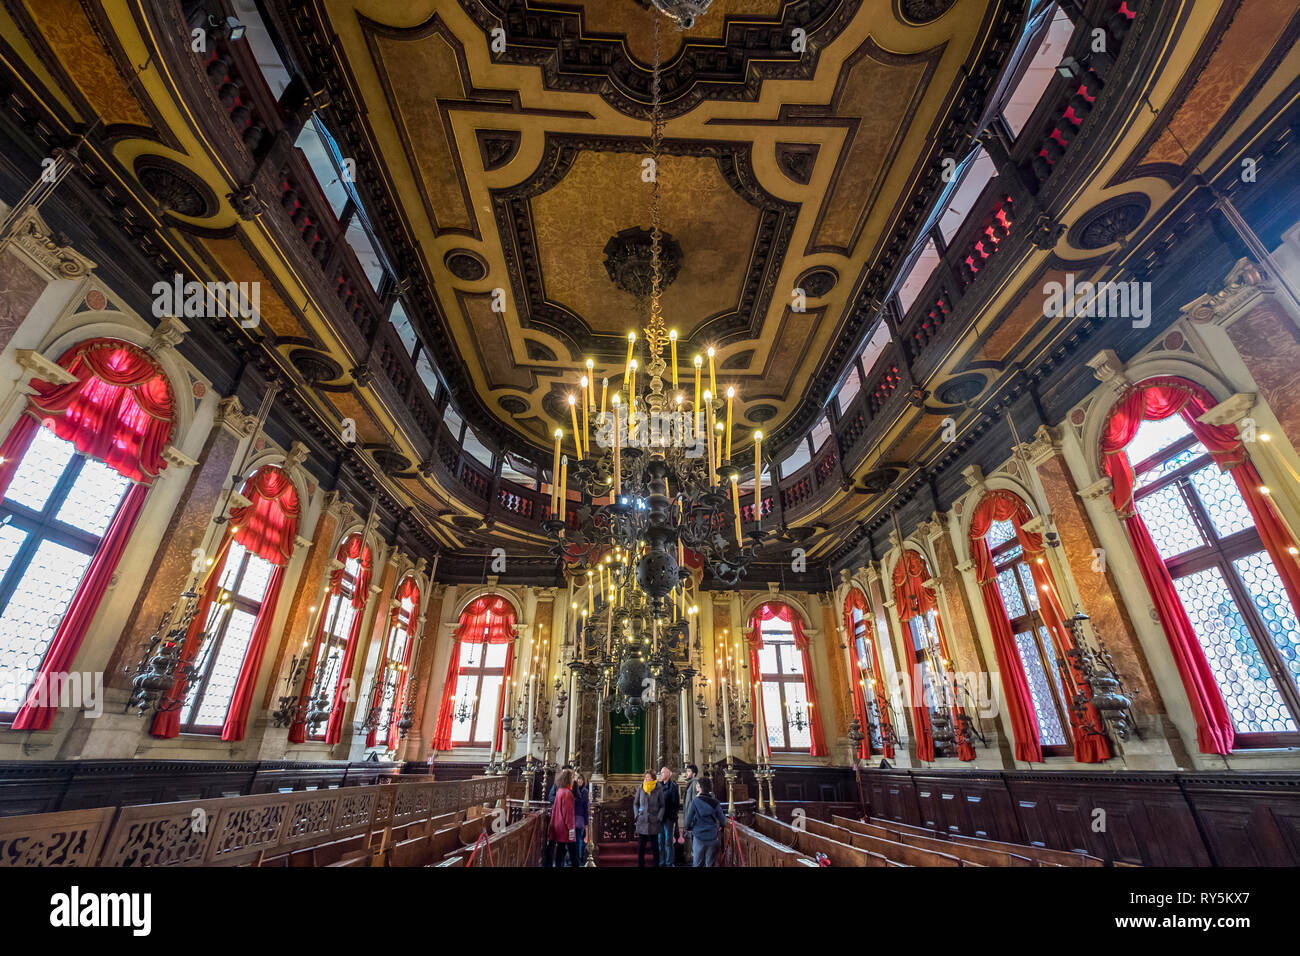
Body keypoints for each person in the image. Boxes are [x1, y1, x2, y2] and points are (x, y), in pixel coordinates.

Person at [684, 777, 726, 867]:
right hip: (712, 837)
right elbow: (723, 821)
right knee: (709, 864)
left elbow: (688, 821)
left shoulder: (695, 802)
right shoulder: (715, 803)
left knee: (697, 863)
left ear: (700, 787)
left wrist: (690, 828)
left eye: (697, 786)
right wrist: (721, 826)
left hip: (699, 837)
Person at [546, 768, 579, 867]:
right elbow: (568, 814)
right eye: (572, 778)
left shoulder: (560, 791)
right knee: (573, 851)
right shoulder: (568, 793)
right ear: (568, 779)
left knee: (561, 849)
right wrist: (571, 829)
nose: (574, 780)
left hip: (558, 825)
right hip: (565, 827)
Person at [632, 770, 663, 867]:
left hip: (654, 821)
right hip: (642, 821)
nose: (647, 779)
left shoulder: (658, 788)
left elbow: (662, 805)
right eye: (645, 777)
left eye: (648, 777)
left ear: (653, 778)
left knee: (655, 848)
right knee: (641, 848)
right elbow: (635, 803)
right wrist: (637, 815)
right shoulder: (641, 787)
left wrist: (659, 817)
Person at [656, 766, 680, 866]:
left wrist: (674, 817)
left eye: (663, 772)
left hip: (669, 818)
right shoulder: (658, 786)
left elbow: (675, 803)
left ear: (668, 774)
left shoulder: (673, 786)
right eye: (661, 772)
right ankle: (661, 862)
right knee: (660, 842)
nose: (661, 774)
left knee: (668, 842)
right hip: (660, 818)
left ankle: (669, 863)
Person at [573, 772, 589, 866]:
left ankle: (578, 860)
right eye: (578, 779)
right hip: (571, 817)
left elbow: (586, 807)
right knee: (571, 840)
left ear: (584, 781)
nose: (580, 780)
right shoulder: (573, 790)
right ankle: (572, 859)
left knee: (578, 840)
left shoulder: (585, 791)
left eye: (581, 779)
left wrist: (586, 823)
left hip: (579, 818)